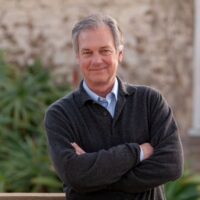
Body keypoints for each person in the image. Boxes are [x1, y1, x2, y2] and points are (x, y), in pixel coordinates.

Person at [44, 14, 184, 200]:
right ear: (78, 57)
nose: (96, 60)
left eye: (105, 51)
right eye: (87, 52)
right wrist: (138, 152)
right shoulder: (60, 114)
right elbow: (74, 175)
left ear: (120, 54)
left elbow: (171, 165)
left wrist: (94, 176)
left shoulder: (150, 101)